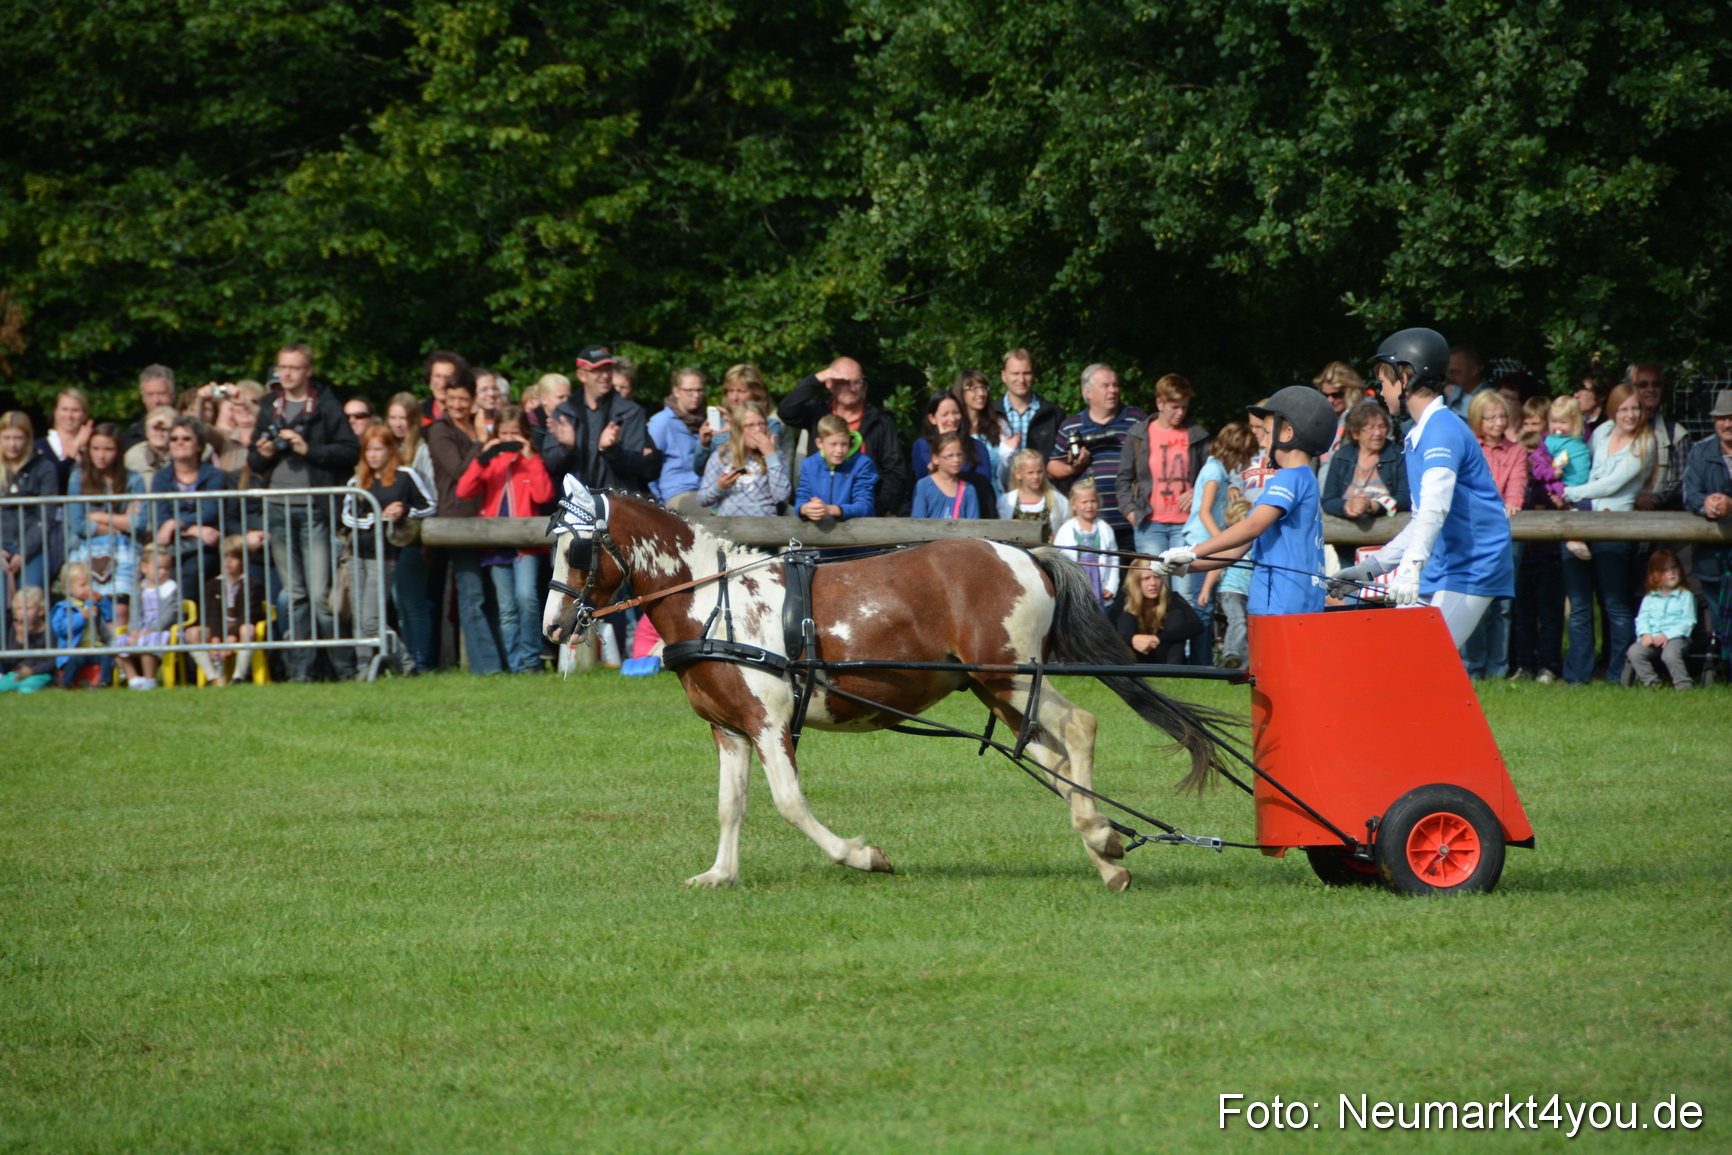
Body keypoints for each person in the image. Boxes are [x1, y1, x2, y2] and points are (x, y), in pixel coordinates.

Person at [1326, 329, 1514, 644]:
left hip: (1473, 563)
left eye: (1385, 382)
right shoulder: (1418, 434)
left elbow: (1434, 507)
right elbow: (1421, 521)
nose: (1381, 391)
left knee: (1425, 661)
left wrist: (1411, 568)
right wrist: (1370, 569)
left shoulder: (1441, 430)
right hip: (1443, 560)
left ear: (1405, 377)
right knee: (1401, 656)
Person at [1153, 385, 1335, 620]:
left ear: (1287, 433)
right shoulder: (1302, 476)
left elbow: (1251, 527)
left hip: (1280, 605)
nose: (1263, 441)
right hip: (1288, 604)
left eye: (1267, 433)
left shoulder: (1290, 476)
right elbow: (1237, 548)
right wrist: (1186, 566)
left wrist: (1192, 551)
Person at [247, 342, 360, 682]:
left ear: (308, 370)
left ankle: (344, 668)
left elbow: (349, 452)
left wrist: (309, 449)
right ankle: (301, 674)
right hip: (278, 508)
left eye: (294, 368)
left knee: (320, 596)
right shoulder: (269, 407)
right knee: (293, 595)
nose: (287, 374)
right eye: (282, 367)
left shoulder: (327, 406)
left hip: (314, 511)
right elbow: (253, 462)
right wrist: (263, 452)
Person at [1558, 382, 1655, 684]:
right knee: (1580, 605)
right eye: (1624, 408)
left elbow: (1613, 483)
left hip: (1616, 525)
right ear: (1613, 409)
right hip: (1584, 519)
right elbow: (1584, 468)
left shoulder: (1645, 442)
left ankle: (1618, 674)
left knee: (1614, 604)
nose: (1630, 414)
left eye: (1636, 408)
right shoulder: (1601, 432)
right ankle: (1578, 675)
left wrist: (1570, 492)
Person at [456, 408, 551, 674]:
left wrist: (531, 457)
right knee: (507, 607)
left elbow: (543, 495)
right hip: (496, 542)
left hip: (525, 543)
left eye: (515, 434)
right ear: (495, 434)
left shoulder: (531, 460)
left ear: (525, 434)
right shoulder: (491, 461)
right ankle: (515, 664)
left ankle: (531, 661)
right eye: (503, 434)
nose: (509, 439)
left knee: (526, 599)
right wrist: (484, 456)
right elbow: (464, 490)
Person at [428, 371, 505, 675]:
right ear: (443, 398)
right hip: (458, 520)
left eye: (464, 398)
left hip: (488, 517)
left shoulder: (481, 426)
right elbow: (460, 471)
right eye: (453, 398)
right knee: (471, 593)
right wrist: (481, 441)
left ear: (473, 399)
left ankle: (503, 661)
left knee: (492, 594)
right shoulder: (439, 430)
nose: (458, 404)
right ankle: (488, 668)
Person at [343, 427, 435, 678]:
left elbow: (428, 505)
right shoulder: (357, 480)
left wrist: (403, 510)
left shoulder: (405, 476)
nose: (373, 455)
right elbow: (347, 516)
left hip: (385, 556)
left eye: (378, 449)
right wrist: (376, 517)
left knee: (371, 619)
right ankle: (363, 669)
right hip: (356, 554)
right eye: (368, 450)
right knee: (359, 618)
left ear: (390, 450)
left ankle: (405, 664)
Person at [1458, 391, 1529, 678]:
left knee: (1502, 606)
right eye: (1491, 417)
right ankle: (1473, 667)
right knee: (1475, 603)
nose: (1498, 422)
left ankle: (1497, 669)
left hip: (1505, 533)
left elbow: (1517, 485)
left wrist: (1512, 502)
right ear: (1478, 419)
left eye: (1502, 416)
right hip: (1473, 534)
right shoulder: (1467, 448)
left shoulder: (1517, 451)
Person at [779, 356, 909, 514]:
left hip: (866, 518)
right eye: (843, 382)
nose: (852, 388)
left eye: (857, 382)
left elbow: (895, 472)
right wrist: (817, 378)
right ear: (830, 384)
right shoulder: (817, 412)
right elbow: (786, 411)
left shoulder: (880, 421)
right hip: (819, 516)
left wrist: (876, 508)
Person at [1175, 420, 1257, 664]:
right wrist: (1222, 542)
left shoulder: (1217, 469)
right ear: (1236, 451)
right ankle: (1201, 664)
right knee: (1202, 608)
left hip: (1206, 541)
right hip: (1201, 542)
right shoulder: (1214, 471)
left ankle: (1204, 661)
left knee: (1205, 607)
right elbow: (1204, 512)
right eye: (1245, 455)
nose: (1245, 462)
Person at [1049, 363, 1145, 548]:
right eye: (1105, 386)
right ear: (1088, 392)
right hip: (1091, 524)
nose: (1113, 390)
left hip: (1131, 520)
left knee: (1136, 575)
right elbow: (1052, 467)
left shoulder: (1135, 418)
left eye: (1115, 385)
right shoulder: (1072, 426)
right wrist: (1073, 467)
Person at [1118, 372, 1211, 560]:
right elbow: (1123, 479)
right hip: (1149, 523)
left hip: (1187, 524)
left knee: (1184, 585)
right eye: (1174, 407)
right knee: (1153, 583)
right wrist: (1130, 512)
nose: (1180, 413)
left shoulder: (1197, 435)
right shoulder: (1138, 435)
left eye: (1184, 407)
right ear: (1159, 403)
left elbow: (1211, 476)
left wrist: (1196, 491)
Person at [542, 345, 656, 496]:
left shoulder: (630, 412)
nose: (605, 376)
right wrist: (566, 448)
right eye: (597, 370)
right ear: (581, 375)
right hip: (576, 505)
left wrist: (611, 450)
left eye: (608, 369)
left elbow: (635, 468)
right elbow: (552, 467)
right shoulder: (564, 412)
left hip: (617, 506)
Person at [66, 423, 145, 631]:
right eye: (96, 449)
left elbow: (139, 524)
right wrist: (120, 522)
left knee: (119, 610)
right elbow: (79, 525)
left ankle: (118, 658)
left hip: (124, 549)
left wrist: (98, 516)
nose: (101, 455)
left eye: (108, 449)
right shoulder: (78, 478)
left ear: (118, 451)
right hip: (87, 549)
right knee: (90, 608)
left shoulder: (134, 479)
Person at [1510, 396, 1565, 682]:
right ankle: (1524, 664)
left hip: (1548, 557)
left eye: (1535, 453)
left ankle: (1548, 665)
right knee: (1522, 616)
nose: (1530, 459)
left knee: (1550, 615)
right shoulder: (1515, 487)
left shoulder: (1547, 487)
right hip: (1521, 557)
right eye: (1525, 452)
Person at [385, 392, 438, 672]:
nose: (397, 424)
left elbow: (430, 495)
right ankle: (410, 661)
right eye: (392, 417)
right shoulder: (383, 447)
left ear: (413, 421)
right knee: (399, 601)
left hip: (415, 536)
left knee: (412, 601)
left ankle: (419, 660)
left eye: (402, 418)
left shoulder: (420, 449)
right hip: (391, 538)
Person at [1682, 390, 1732, 674]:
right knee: (1718, 616)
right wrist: (1706, 504)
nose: (1727, 424)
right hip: (1711, 555)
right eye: (1722, 418)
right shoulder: (1700, 451)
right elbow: (1689, 494)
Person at [151, 417, 228, 598]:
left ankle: (190, 623)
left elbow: (210, 512)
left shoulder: (213, 475)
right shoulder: (161, 477)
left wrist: (175, 523)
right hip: (173, 544)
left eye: (186, 438)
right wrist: (193, 528)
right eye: (174, 439)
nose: (179, 442)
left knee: (194, 570)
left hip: (206, 546)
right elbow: (160, 519)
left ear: (199, 445)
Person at [186, 536, 268, 686]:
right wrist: (217, 638)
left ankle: (238, 676)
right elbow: (211, 614)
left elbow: (249, 613)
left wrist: (232, 636)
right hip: (218, 627)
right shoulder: (212, 584)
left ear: (245, 560)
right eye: (225, 556)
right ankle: (214, 677)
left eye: (234, 557)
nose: (228, 561)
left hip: (240, 626)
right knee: (193, 633)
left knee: (247, 630)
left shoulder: (252, 584)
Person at [1, 411, 62, 594]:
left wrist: (23, 551)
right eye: (7, 437)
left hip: (33, 545)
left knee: (31, 601)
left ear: (28, 438)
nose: (12, 444)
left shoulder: (44, 467)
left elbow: (46, 514)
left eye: (18, 438)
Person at [693, 363, 790, 476]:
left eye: (741, 391)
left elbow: (768, 462)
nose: (734, 398)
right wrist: (704, 444)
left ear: (756, 394)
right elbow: (699, 470)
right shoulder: (719, 425)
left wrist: (733, 430)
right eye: (730, 391)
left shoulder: (769, 424)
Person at [696, 402, 790, 516]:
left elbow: (782, 497)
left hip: (764, 525)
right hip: (728, 525)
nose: (758, 430)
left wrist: (770, 454)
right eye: (750, 426)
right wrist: (719, 487)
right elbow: (702, 500)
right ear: (739, 429)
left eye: (762, 424)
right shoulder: (721, 456)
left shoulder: (775, 456)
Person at [1321, 400, 1410, 520]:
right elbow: (1328, 500)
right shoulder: (1341, 457)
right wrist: (1347, 505)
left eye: (1382, 426)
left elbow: (1406, 498)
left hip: (1387, 526)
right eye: (1370, 428)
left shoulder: (1398, 456)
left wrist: (1374, 505)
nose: (1378, 433)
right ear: (1355, 433)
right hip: (1346, 527)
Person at [911, 393, 995, 513]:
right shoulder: (922, 445)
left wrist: (944, 469)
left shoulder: (977, 447)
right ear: (932, 418)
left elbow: (982, 483)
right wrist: (944, 440)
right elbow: (927, 479)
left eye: (956, 413)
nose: (952, 419)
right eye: (945, 414)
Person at [1198, 497, 1255, 668]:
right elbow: (1217, 566)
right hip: (1231, 591)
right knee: (1238, 621)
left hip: (1248, 592)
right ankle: (1231, 654)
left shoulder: (1253, 543)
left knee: (1247, 626)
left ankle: (1245, 664)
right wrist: (1206, 589)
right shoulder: (1232, 543)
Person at [1113, 557, 1203, 665]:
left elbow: (1197, 625)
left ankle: (1174, 673)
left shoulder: (1172, 598)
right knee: (1126, 617)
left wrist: (1159, 639)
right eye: (1146, 578)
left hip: (1166, 656)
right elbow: (1105, 629)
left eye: (1157, 577)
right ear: (1135, 582)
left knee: (1177, 616)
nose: (1153, 583)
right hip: (1136, 656)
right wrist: (1132, 639)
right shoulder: (1125, 600)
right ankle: (1126, 670)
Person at [1627, 549, 1696, 690]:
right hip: (1653, 636)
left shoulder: (1685, 595)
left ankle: (1683, 685)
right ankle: (1653, 684)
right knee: (1634, 652)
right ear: (1655, 575)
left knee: (1669, 655)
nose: (1671, 573)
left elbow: (1688, 621)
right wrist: (1645, 634)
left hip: (1676, 637)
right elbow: (1642, 618)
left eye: (1674, 568)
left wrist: (1667, 635)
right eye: (1665, 570)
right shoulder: (1650, 597)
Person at [1627, 362, 1692, 511]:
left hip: (1662, 519)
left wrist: (1652, 500)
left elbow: (1684, 482)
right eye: (1643, 385)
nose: (1650, 389)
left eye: (1656, 384)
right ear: (1630, 389)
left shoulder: (1676, 433)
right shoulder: (1610, 430)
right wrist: (1632, 498)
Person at [115, 543, 179, 690]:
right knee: (119, 642)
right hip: (142, 629)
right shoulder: (139, 588)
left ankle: (150, 679)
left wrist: (150, 630)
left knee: (147, 641)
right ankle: (134, 679)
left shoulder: (170, 588)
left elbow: (168, 615)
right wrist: (133, 631)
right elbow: (135, 613)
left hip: (162, 629)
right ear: (144, 567)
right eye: (158, 567)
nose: (163, 572)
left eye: (166, 568)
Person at [796, 414, 878, 523]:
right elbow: (801, 499)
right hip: (817, 532)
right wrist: (806, 509)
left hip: (855, 532)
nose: (839, 450)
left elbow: (864, 507)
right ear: (819, 443)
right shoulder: (808, 465)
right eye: (833, 444)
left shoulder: (862, 464)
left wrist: (830, 510)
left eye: (844, 444)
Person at [647, 367, 711, 506]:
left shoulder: (709, 421)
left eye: (700, 390)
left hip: (709, 490)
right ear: (676, 391)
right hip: (678, 493)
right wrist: (657, 504)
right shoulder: (661, 422)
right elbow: (647, 468)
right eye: (689, 391)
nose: (696, 395)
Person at [1051, 477, 1118, 603]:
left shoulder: (1105, 529)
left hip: (1098, 582)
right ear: (1073, 505)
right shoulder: (1065, 530)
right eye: (1084, 502)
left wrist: (1111, 585)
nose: (1089, 506)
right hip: (1077, 581)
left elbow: (1114, 558)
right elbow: (1057, 558)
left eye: (1093, 501)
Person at [49, 560, 114, 688]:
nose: (88, 588)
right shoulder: (63, 608)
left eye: (90, 584)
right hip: (75, 650)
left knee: (108, 654)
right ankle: (66, 682)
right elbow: (59, 629)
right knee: (75, 660)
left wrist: (102, 600)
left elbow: (110, 614)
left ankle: (105, 681)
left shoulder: (93, 603)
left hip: (95, 648)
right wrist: (80, 617)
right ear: (69, 589)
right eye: (83, 585)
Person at [991, 348, 1062, 463]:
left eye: (1026, 373)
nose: (1021, 379)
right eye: (1015, 373)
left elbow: (1062, 459)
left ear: (1033, 375)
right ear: (1004, 376)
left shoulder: (1053, 414)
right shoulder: (990, 414)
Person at [951, 369, 1011, 492]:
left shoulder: (1000, 426)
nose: (981, 393)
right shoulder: (953, 428)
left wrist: (1008, 453)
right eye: (973, 388)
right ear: (961, 392)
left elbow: (1010, 475)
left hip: (994, 500)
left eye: (984, 388)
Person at [996, 448, 1070, 541]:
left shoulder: (1057, 500)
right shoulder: (1006, 501)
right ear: (1018, 474)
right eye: (1030, 473)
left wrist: (1059, 539)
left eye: (1039, 472)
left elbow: (1069, 528)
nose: (1035, 477)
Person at [911, 432, 981, 519]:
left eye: (959, 455)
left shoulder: (968, 489)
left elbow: (973, 525)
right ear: (935, 459)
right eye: (949, 456)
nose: (956, 460)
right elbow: (917, 521)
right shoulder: (924, 486)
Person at [36, 387, 93, 489]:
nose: (69, 416)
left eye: (75, 410)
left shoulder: (94, 446)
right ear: (56, 412)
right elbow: (53, 480)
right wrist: (74, 450)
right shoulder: (38, 447)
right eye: (64, 409)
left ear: (84, 415)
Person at [0, 586, 54, 693]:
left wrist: (32, 671)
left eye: (28, 608)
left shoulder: (49, 630)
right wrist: (20, 638)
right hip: (17, 673)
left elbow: (53, 661)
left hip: (40, 674)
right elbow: (8, 661)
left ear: (40, 610)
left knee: (26, 689)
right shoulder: (14, 629)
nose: (23, 613)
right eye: (19, 609)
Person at [1312, 362, 1363, 467]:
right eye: (1325, 395)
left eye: (1336, 394)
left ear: (1351, 391)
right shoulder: (1320, 420)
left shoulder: (1362, 419)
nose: (1330, 400)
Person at [119, 365, 177, 454]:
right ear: (143, 398)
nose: (156, 400)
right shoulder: (131, 436)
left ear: (173, 395)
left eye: (162, 393)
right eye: (150, 394)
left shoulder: (188, 432)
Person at [420, 350, 467, 426]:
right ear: (430, 381)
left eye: (448, 378)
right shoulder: (417, 413)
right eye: (437, 376)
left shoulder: (468, 416)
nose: (442, 383)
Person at [1444, 344, 1486, 417]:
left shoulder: (1491, 396)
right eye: (1448, 372)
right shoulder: (1447, 394)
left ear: (1474, 370)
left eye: (1455, 372)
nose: (1449, 377)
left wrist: (1455, 397)